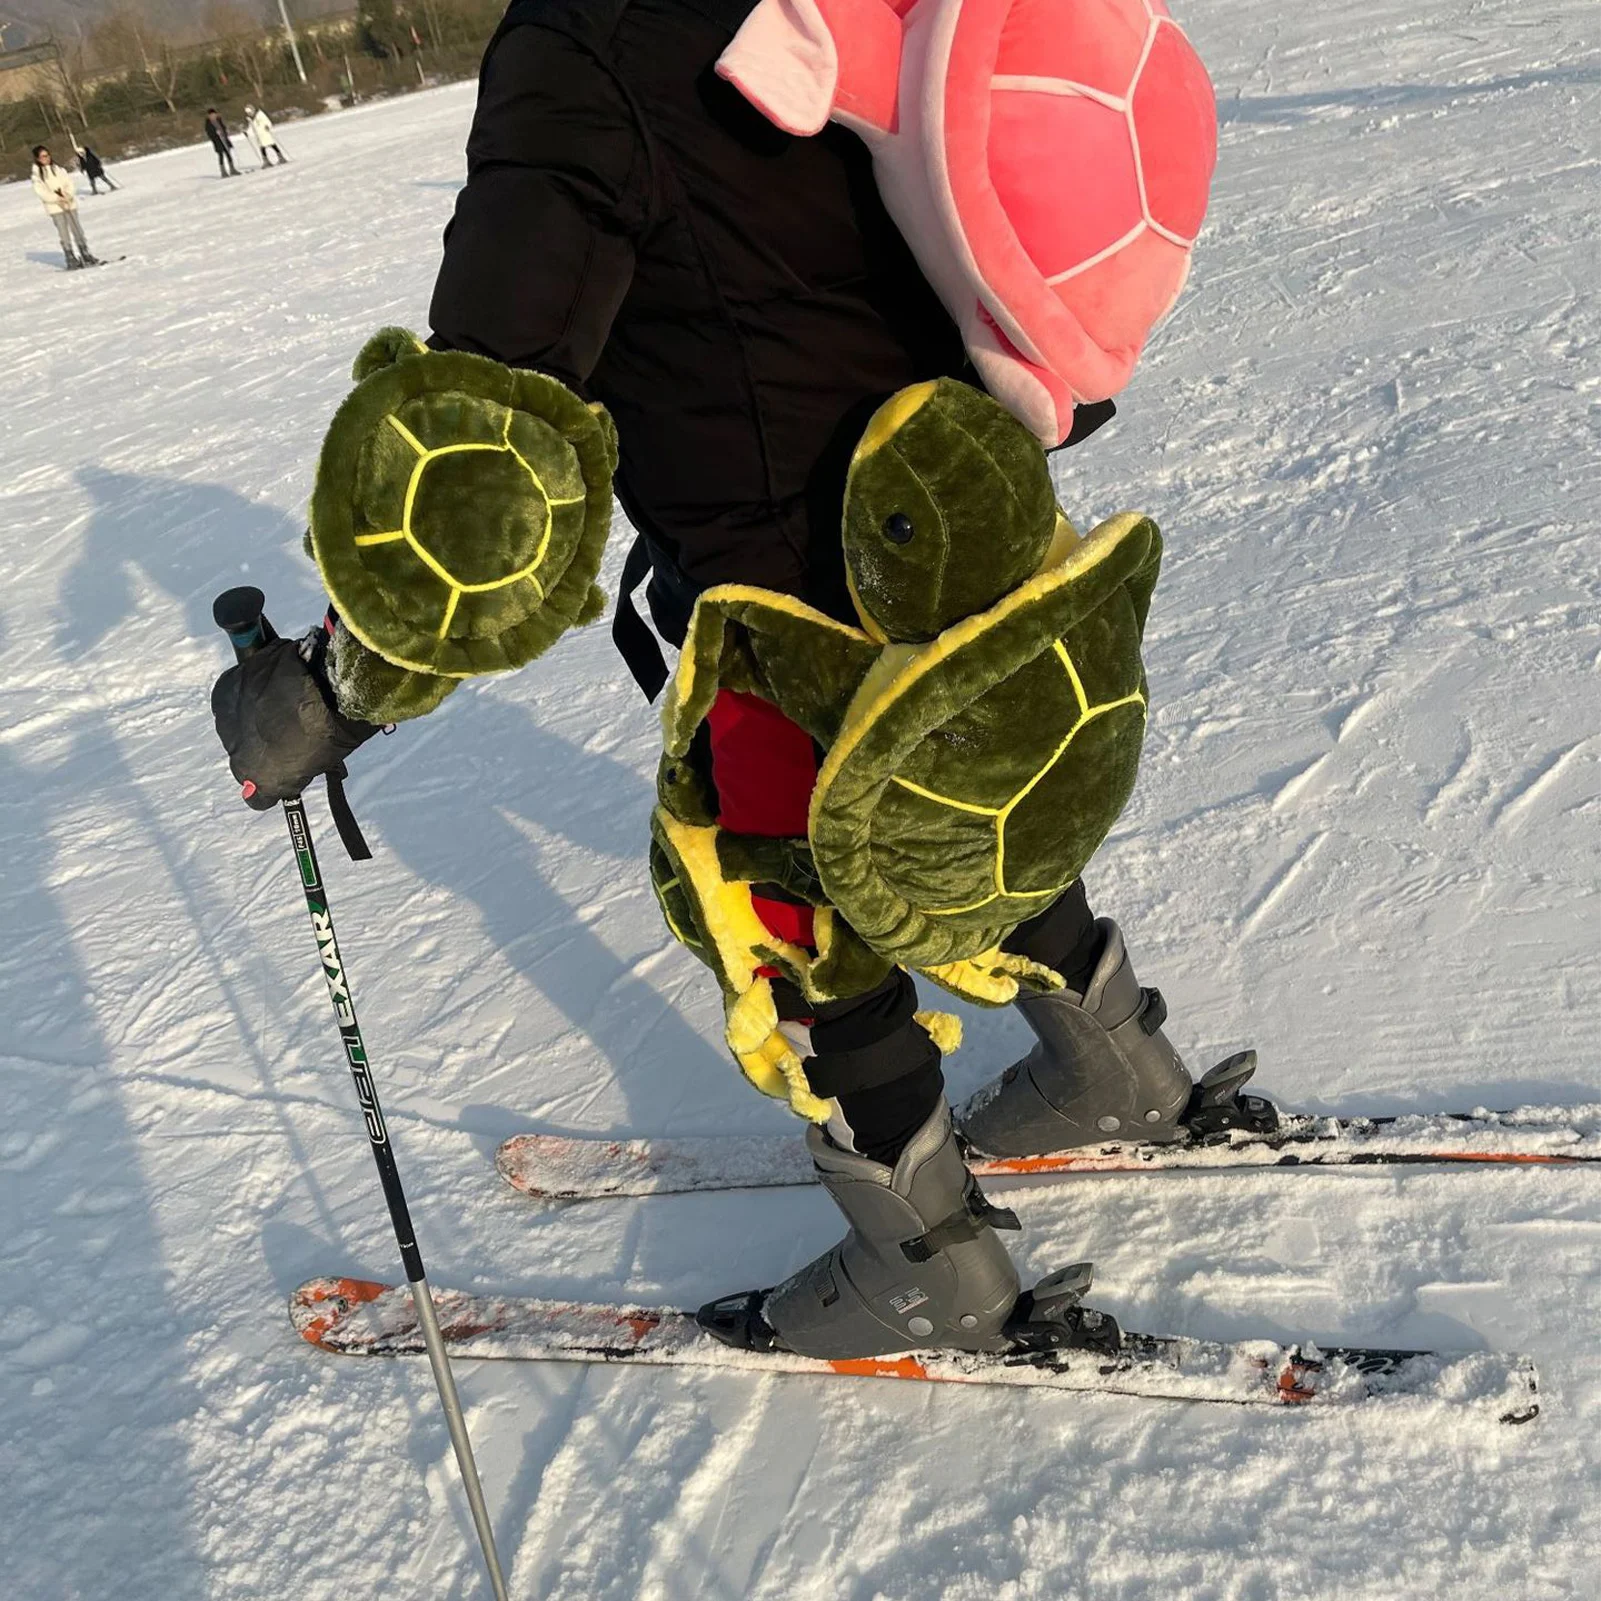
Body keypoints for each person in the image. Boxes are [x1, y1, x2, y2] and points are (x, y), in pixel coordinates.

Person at [212, 0, 1262, 1361]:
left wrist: (339, 685)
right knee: (955, 793)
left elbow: (490, 469)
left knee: (793, 900)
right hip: (952, 502)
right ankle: (1113, 1062)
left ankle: (924, 1262)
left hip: (779, 587)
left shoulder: (584, 43)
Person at [31, 145, 100, 270]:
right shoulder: (37, 176)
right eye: (43, 156)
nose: (46, 158)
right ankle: (70, 257)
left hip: (69, 203)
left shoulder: (59, 170)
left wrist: (67, 195)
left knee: (77, 230)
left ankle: (85, 253)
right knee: (64, 233)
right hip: (55, 207)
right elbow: (42, 192)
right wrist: (57, 198)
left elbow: (69, 183)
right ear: (38, 159)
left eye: (47, 155)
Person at [204, 109, 239, 178]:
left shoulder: (219, 120)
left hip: (224, 139)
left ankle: (232, 169)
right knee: (221, 155)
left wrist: (224, 132)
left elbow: (223, 127)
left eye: (214, 114)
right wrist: (215, 133)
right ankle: (223, 172)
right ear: (209, 116)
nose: (213, 116)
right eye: (211, 115)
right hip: (217, 141)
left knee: (228, 154)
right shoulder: (208, 123)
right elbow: (209, 133)